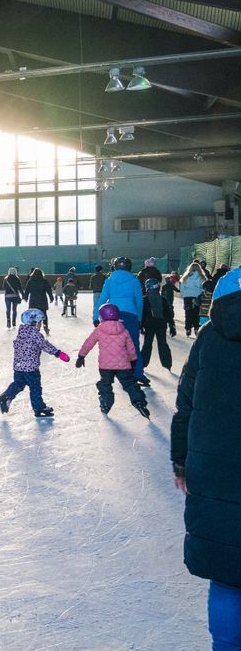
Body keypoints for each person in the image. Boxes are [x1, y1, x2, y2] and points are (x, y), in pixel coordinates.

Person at [171, 267, 241, 649]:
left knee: (229, 575)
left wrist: (181, 461)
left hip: (214, 472)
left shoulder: (209, 339)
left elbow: (185, 406)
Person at [75, 303, 148, 418]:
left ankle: (106, 402)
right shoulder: (123, 329)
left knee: (105, 384)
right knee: (129, 384)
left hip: (105, 366)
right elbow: (131, 347)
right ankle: (139, 401)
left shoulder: (99, 330)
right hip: (123, 365)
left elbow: (88, 343)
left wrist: (81, 356)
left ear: (101, 317)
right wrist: (133, 360)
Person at [0, 309, 70, 419]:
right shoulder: (35, 334)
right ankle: (39, 408)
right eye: (40, 322)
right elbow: (45, 345)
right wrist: (58, 353)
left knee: (19, 384)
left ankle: (6, 396)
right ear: (34, 322)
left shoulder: (21, 332)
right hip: (31, 368)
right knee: (35, 387)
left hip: (18, 366)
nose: (41, 325)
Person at [93, 257, 148, 386]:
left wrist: (95, 316)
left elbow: (102, 299)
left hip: (113, 315)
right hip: (130, 315)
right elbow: (139, 301)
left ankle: (116, 372)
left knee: (115, 344)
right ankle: (138, 373)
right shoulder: (134, 280)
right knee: (133, 345)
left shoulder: (110, 280)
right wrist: (139, 318)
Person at [140, 279, 173, 372]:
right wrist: (171, 325)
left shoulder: (145, 300)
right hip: (159, 324)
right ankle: (167, 364)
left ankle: (143, 364)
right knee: (161, 344)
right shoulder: (162, 299)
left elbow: (142, 314)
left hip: (151, 325)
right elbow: (168, 314)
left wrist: (141, 325)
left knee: (148, 344)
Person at [22, 268, 54, 335]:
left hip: (33, 301)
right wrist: (51, 298)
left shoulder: (30, 281)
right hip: (42, 301)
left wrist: (25, 297)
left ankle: (33, 329)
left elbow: (27, 290)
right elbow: (49, 290)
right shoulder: (44, 281)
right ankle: (45, 327)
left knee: (33, 315)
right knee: (44, 315)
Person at [179, 261, 206, 337]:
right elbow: (203, 287)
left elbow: (182, 286)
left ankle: (188, 328)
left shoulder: (186, 276)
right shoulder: (201, 276)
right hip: (196, 296)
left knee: (188, 313)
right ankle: (196, 328)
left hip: (187, 296)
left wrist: (183, 294)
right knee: (196, 313)